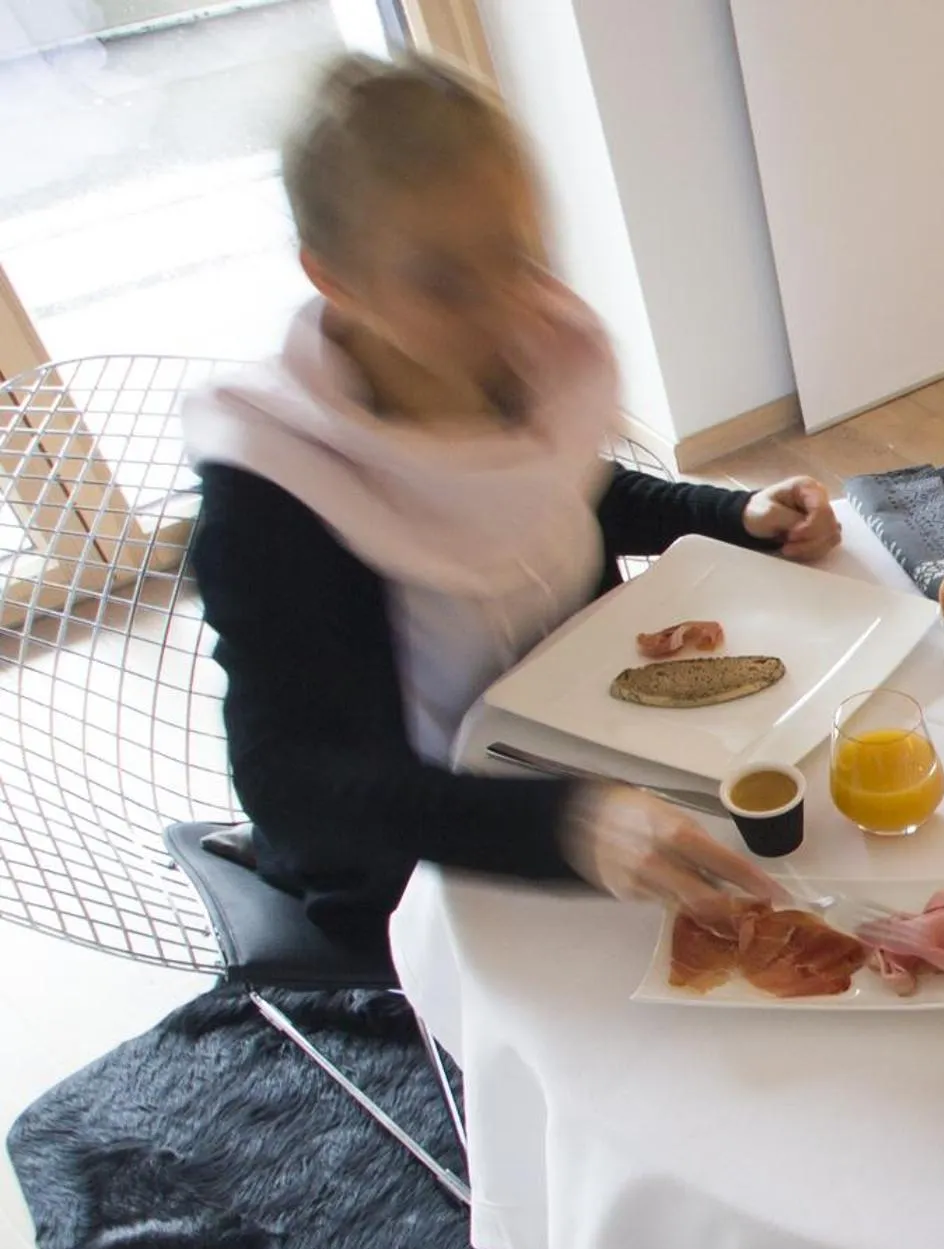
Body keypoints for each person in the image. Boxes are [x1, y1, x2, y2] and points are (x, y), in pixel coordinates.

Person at [185, 54, 836, 961]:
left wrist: (733, 514)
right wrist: (566, 825)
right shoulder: (270, 494)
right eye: (444, 281)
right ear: (333, 279)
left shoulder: (512, 365)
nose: (501, 306)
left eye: (516, 256)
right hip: (432, 851)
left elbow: (566, 495)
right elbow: (290, 782)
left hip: (590, 766)